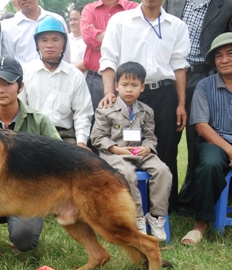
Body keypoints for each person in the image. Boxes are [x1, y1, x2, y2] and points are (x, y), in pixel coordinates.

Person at [99, 0, 190, 207]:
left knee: (166, 146)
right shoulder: (120, 21)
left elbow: (179, 66)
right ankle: (129, 201)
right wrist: (109, 92)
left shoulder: (176, 25)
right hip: (129, 93)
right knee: (126, 144)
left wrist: (181, 103)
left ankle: (165, 204)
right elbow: (108, 60)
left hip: (164, 93)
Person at [0, 56, 61, 251]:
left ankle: (20, 236)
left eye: (8, 83)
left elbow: (59, 159)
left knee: (25, 241)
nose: (0, 89)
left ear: (21, 87)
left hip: (25, 196)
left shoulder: (39, 122)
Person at [163, 0, 232, 215]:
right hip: (170, 77)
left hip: (207, 75)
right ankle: (165, 200)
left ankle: (192, 202)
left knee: (197, 145)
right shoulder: (171, 1)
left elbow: (227, 44)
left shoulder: (227, 4)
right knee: (166, 140)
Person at [91, 62, 172, 242]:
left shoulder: (146, 111)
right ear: (116, 86)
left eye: (134, 85)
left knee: (163, 171)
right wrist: (116, 148)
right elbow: (97, 137)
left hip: (139, 152)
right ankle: (137, 217)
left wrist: (148, 147)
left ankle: (157, 217)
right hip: (114, 153)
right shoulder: (105, 110)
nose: (129, 89)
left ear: (142, 87)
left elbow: (151, 137)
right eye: (125, 85)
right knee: (127, 173)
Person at [181, 33, 232, 245]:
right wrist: (229, 149)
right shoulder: (205, 85)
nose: (224, 59)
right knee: (210, 164)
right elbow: (201, 126)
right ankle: (200, 224)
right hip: (215, 140)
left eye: (230, 54)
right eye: (218, 56)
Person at [18, 16, 93, 149]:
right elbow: (19, 109)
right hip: (33, 135)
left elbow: (82, 113)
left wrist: (81, 142)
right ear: (37, 44)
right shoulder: (25, 72)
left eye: (55, 39)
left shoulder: (75, 75)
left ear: (64, 43)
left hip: (65, 136)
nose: (49, 45)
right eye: (44, 40)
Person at [80, 0, 138, 110]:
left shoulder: (133, 8)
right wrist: (120, 36)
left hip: (127, 80)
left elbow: (137, 38)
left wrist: (98, 34)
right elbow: (88, 37)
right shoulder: (90, 9)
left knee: (128, 121)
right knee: (96, 121)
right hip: (96, 79)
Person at [1, 0, 70, 65]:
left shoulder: (57, 20)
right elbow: (8, 62)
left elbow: (66, 54)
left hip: (57, 75)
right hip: (24, 77)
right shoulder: (8, 27)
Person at [67, 5, 86, 74]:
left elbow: (86, 64)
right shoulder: (65, 39)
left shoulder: (88, 41)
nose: (72, 23)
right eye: (70, 20)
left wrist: (67, 72)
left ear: (83, 19)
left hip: (81, 80)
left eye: (75, 19)